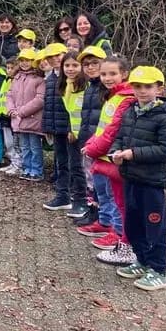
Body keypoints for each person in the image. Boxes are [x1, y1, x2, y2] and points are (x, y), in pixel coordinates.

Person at [112, 66, 166, 291]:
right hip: (131, 177)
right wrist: (116, 151)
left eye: (147, 87)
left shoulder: (165, 118)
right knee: (133, 223)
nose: (142, 91)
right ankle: (141, 260)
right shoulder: (131, 111)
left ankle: (158, 268)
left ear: (159, 89)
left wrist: (134, 154)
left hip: (152, 181)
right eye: (137, 86)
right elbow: (121, 136)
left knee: (154, 226)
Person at [81, 56, 135, 265]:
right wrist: (92, 143)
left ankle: (120, 235)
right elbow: (102, 127)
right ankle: (107, 225)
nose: (107, 78)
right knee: (104, 194)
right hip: (102, 156)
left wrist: (93, 149)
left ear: (124, 74)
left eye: (112, 73)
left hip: (112, 157)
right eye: (104, 74)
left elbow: (113, 131)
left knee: (118, 200)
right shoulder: (113, 96)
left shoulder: (125, 98)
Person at [72, 45, 108, 227]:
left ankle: (103, 217)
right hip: (87, 140)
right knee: (89, 179)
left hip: (101, 144)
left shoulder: (106, 90)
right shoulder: (90, 88)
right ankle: (92, 210)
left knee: (100, 183)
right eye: (86, 64)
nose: (90, 67)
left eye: (95, 63)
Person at [57, 51, 89, 217]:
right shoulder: (66, 85)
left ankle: (84, 202)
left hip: (86, 134)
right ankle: (78, 200)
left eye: (75, 65)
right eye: (67, 65)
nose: (70, 69)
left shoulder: (86, 86)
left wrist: (78, 132)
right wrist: (71, 130)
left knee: (84, 169)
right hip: (74, 133)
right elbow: (71, 112)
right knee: (74, 166)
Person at [6, 48, 45, 178]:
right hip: (19, 119)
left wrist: (21, 112)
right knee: (24, 146)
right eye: (22, 60)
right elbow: (10, 95)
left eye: (27, 60)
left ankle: (36, 170)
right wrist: (11, 109)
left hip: (32, 118)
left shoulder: (39, 79)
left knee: (34, 147)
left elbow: (40, 99)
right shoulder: (17, 77)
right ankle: (27, 168)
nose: (24, 63)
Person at [41, 43, 70, 199]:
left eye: (58, 55)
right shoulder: (51, 77)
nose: (55, 59)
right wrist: (47, 126)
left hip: (68, 127)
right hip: (55, 126)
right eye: (51, 57)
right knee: (61, 160)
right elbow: (48, 104)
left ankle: (72, 191)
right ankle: (62, 192)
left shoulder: (71, 77)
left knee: (72, 162)